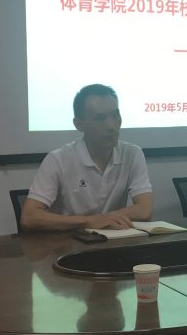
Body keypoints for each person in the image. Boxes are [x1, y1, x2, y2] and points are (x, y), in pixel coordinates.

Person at [20, 84, 153, 231]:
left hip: (113, 240)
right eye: (100, 118)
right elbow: (29, 217)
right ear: (79, 125)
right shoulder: (58, 159)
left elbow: (144, 210)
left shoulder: (132, 154)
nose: (111, 126)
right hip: (68, 241)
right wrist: (90, 221)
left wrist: (105, 220)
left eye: (115, 116)